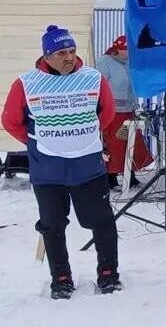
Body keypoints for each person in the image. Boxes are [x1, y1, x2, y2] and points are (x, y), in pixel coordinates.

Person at [1, 25, 122, 299]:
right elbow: (10, 121)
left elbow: (108, 112)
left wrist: (84, 136)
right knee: (52, 225)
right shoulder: (26, 83)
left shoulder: (93, 78)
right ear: (47, 55)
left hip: (88, 167)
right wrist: (37, 142)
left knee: (101, 221)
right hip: (48, 171)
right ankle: (61, 277)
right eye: (60, 52)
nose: (68, 57)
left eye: (71, 50)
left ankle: (108, 273)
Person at [95, 35, 153, 189]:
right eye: (124, 49)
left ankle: (130, 173)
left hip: (129, 109)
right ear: (117, 49)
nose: (127, 52)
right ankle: (110, 176)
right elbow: (98, 86)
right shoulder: (104, 62)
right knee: (116, 144)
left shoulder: (129, 63)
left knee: (132, 142)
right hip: (113, 112)